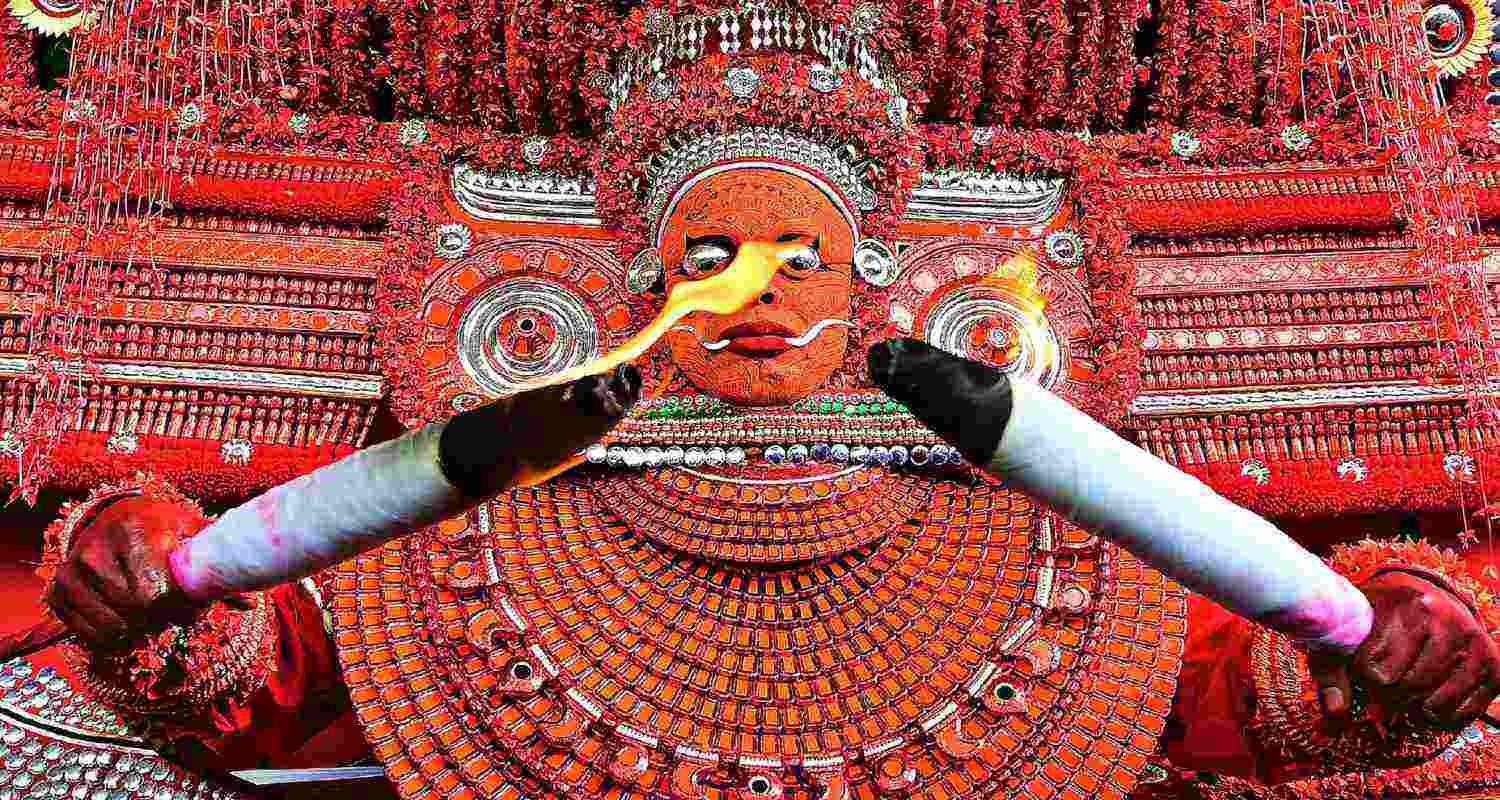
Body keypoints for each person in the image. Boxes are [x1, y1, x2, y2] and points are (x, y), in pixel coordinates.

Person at [35, 155, 1500, 800]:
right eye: (710, 258)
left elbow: (1234, 699)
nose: (759, 295)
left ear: (874, 289)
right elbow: (267, 684)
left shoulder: (1047, 544)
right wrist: (150, 579)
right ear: (634, 288)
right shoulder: (475, 537)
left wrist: (1387, 638)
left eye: (806, 260)